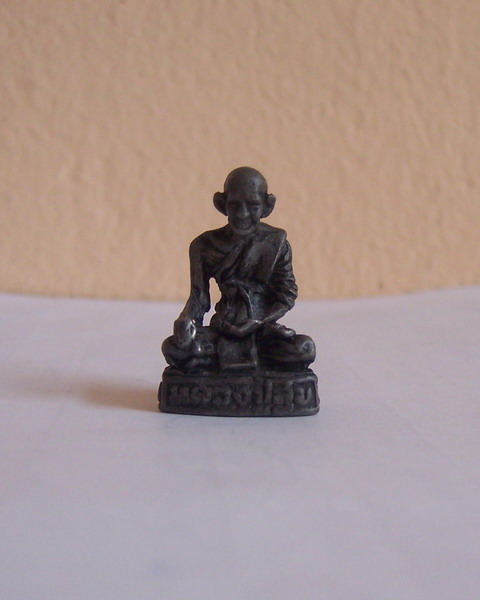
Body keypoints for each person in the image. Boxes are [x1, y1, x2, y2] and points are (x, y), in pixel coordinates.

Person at [162, 167, 315, 372]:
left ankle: (210, 362)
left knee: (304, 349)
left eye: (253, 205)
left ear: (266, 206)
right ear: (222, 204)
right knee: (173, 347)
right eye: (235, 205)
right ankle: (212, 361)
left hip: (261, 330)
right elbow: (199, 298)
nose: (242, 214)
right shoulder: (204, 245)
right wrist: (185, 322)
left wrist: (258, 322)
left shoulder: (275, 243)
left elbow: (286, 295)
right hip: (223, 327)